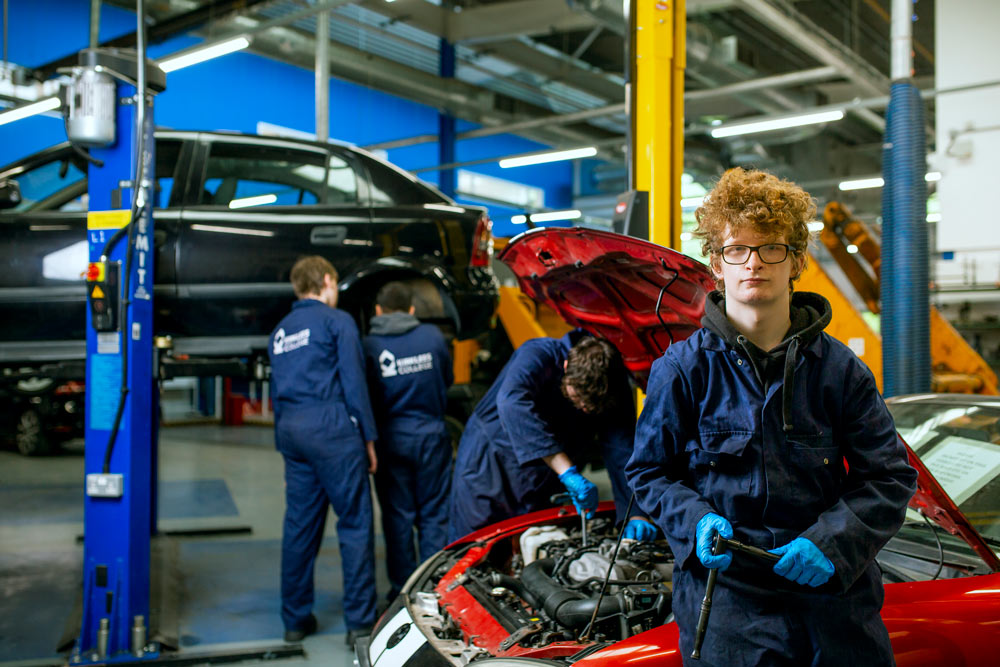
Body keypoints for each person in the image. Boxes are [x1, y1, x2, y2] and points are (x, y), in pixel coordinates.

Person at [626, 167, 918, 666]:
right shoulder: (681, 370)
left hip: (834, 604)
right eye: (736, 249)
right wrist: (694, 521)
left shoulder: (842, 372)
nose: (753, 263)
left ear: (797, 260)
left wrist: (832, 542)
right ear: (716, 264)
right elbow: (649, 472)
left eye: (771, 248)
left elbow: (889, 478)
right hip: (729, 609)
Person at [448, 329, 657, 543]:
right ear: (566, 367)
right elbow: (512, 401)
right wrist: (567, 471)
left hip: (543, 477)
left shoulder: (612, 381)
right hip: (490, 465)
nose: (584, 409)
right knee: (473, 544)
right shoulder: (538, 353)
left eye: (591, 407)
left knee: (534, 544)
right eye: (578, 399)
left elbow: (621, 450)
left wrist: (636, 512)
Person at [268, 256, 379, 645]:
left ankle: (295, 620)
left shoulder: (280, 332)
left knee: (299, 526)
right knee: (354, 522)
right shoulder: (337, 322)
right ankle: (360, 622)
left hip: (292, 432)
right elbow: (353, 382)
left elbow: (276, 396)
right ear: (328, 281)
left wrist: (284, 450)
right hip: (333, 430)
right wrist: (368, 438)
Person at [363, 281, 454, 600]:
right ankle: (433, 587)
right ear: (412, 309)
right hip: (431, 435)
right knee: (434, 513)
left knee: (398, 516)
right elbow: (447, 379)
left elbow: (368, 396)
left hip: (391, 440)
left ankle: (402, 590)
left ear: (378, 310)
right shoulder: (433, 337)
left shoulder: (370, 346)